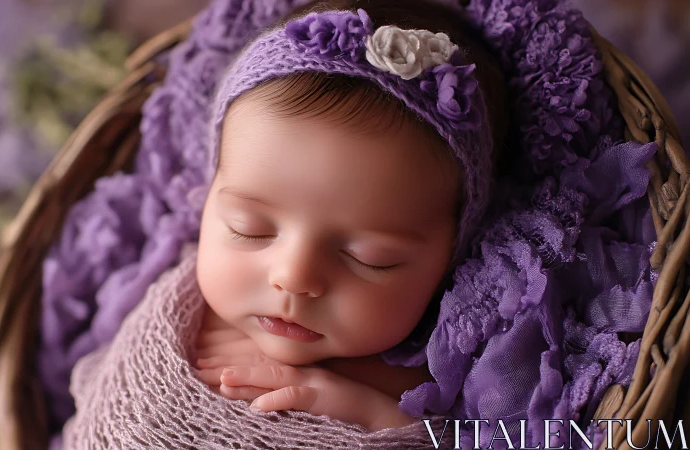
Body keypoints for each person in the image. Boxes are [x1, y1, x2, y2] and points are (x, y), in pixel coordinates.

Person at [60, 0, 511, 447]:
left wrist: (374, 416)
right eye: (248, 227)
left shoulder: (431, 385)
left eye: (368, 258)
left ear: (452, 257)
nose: (293, 278)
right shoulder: (175, 305)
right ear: (207, 198)